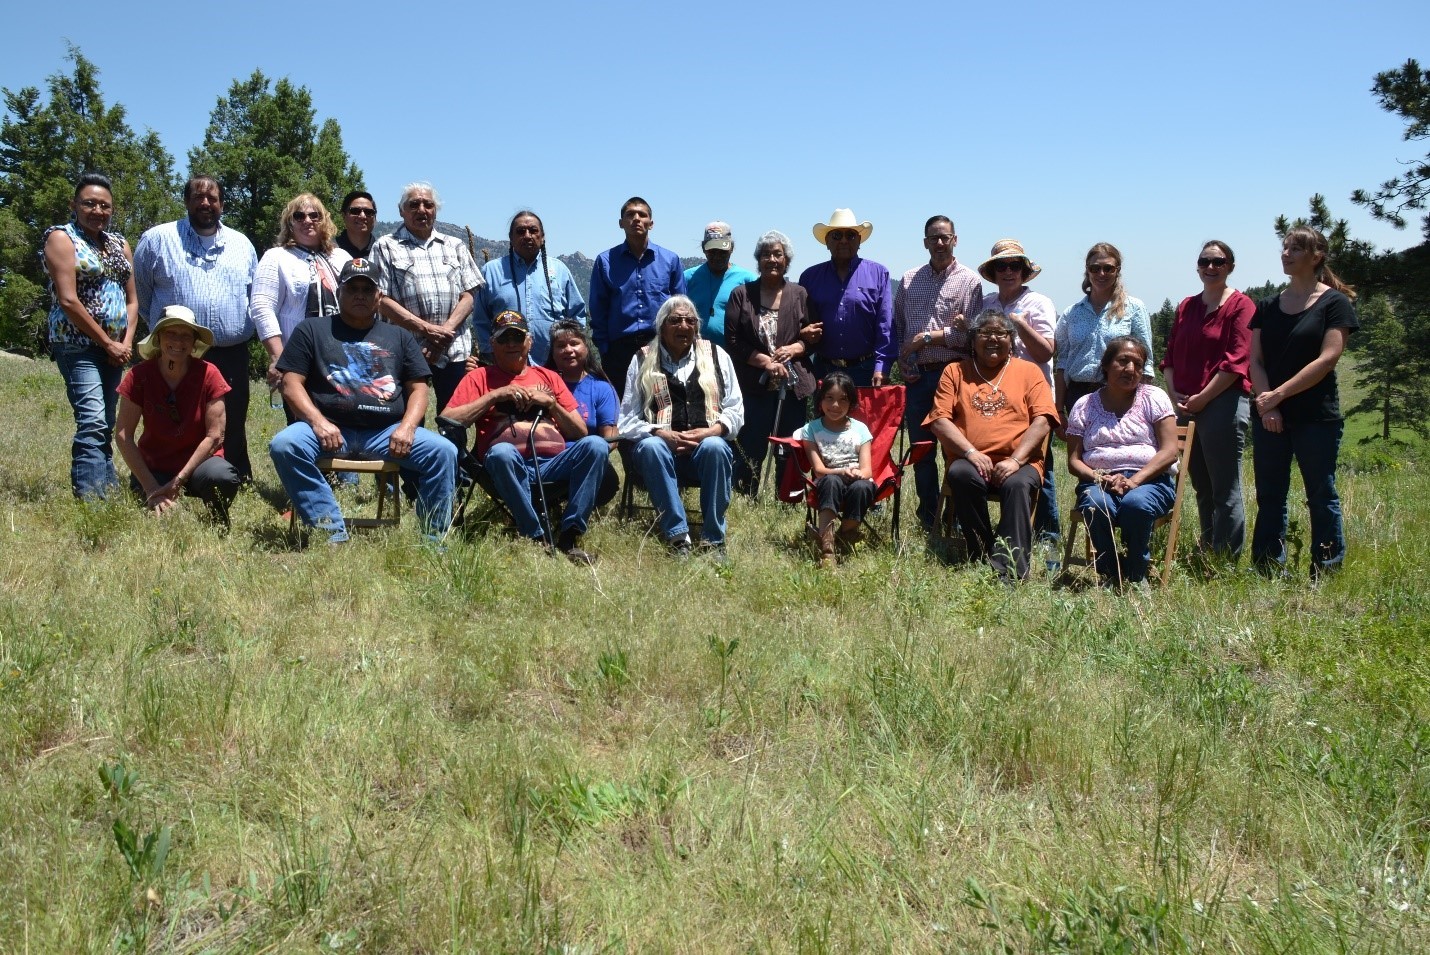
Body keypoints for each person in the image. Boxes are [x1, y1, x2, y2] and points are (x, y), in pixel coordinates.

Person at [269, 258, 456, 545]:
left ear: (379, 297)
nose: (359, 294)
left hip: (386, 433)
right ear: (338, 293)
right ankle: (330, 533)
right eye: (352, 288)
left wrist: (407, 428)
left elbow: (419, 389)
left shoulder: (400, 336)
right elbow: (291, 384)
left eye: (367, 290)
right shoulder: (311, 330)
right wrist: (318, 423)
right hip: (329, 431)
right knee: (284, 445)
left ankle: (433, 542)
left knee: (444, 452)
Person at [134, 175, 271, 481]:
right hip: (178, 349)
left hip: (230, 351)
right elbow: (142, 292)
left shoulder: (241, 244)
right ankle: (164, 473)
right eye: (198, 197)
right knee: (172, 417)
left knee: (232, 418)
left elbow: (254, 296)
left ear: (222, 203)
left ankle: (233, 474)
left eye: (213, 198)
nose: (206, 203)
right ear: (186, 201)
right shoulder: (158, 239)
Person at [445, 311, 610, 564]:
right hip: (505, 466)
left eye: (517, 337)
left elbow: (580, 431)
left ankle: (570, 535)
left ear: (529, 342)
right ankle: (536, 536)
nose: (511, 344)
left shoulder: (549, 377)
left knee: (596, 445)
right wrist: (494, 396)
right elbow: (448, 419)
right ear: (493, 343)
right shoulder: (478, 377)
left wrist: (552, 404)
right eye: (504, 338)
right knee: (502, 453)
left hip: (554, 465)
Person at [1248, 226, 1359, 577]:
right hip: (1271, 417)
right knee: (1270, 493)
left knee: (1321, 493)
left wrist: (1278, 396)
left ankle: (1326, 567)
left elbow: (1328, 358)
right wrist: (1270, 407)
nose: (1286, 253)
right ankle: (1267, 566)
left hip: (1315, 416)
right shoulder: (1267, 305)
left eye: (1296, 248)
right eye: (1284, 247)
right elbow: (1256, 361)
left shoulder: (1334, 303)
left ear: (1317, 256)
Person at [925, 309, 1057, 581]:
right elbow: (939, 420)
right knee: (960, 474)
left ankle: (1010, 571)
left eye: (1000, 333)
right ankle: (983, 549)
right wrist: (971, 452)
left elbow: (1043, 420)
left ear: (1012, 340)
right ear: (972, 340)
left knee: (1017, 484)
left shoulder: (1029, 372)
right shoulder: (955, 371)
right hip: (971, 460)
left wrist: (1016, 460)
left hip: (1020, 462)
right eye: (985, 333)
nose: (993, 339)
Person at [618, 295, 744, 559]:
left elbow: (735, 410)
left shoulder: (717, 356)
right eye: (675, 320)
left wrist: (710, 432)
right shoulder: (641, 360)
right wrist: (660, 433)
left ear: (697, 327)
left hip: (703, 452)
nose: (683, 326)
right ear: (662, 326)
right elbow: (627, 420)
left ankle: (713, 541)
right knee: (651, 446)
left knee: (716, 447)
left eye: (690, 320)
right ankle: (678, 537)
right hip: (660, 457)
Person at [41, 173, 139, 498]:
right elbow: (68, 300)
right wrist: (107, 341)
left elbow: (132, 300)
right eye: (89, 203)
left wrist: (124, 344)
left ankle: (106, 490)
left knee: (105, 421)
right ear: (74, 205)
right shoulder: (61, 239)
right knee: (93, 419)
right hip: (77, 344)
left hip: (115, 348)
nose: (97, 210)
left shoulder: (118, 243)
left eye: (104, 205)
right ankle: (91, 500)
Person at [1161, 240, 1256, 561]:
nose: (1211, 267)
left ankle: (1226, 559)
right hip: (1186, 407)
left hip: (1223, 404)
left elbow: (1237, 361)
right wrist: (1174, 396)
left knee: (1225, 489)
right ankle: (1208, 548)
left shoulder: (1242, 306)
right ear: (1197, 266)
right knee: (1201, 484)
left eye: (1218, 262)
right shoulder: (1186, 306)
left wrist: (1202, 398)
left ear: (1230, 266)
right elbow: (1170, 356)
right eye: (1205, 261)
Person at [894, 215, 984, 532]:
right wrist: (903, 362)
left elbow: (971, 336)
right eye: (934, 238)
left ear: (955, 239)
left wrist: (930, 337)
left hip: (955, 375)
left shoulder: (970, 282)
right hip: (918, 378)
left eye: (945, 237)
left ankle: (957, 518)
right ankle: (928, 515)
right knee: (922, 451)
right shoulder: (908, 280)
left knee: (956, 450)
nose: (940, 243)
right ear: (925, 242)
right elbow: (899, 331)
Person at [1065, 337, 1179, 587]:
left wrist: (1133, 481)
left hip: (1149, 481)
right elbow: (1073, 461)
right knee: (1095, 503)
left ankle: (1137, 575)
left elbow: (1170, 451)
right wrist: (1098, 478)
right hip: (1099, 481)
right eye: (1123, 361)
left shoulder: (1154, 397)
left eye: (1138, 364)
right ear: (1106, 365)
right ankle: (1111, 573)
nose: (1131, 369)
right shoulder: (1084, 405)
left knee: (1136, 504)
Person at [115, 305, 240, 524]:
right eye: (171, 333)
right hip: (154, 467)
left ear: (194, 343)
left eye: (185, 336)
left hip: (199, 466)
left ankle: (217, 518)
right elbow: (123, 435)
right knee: (148, 515)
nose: (178, 341)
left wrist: (177, 482)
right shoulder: (139, 376)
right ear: (158, 338)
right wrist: (152, 487)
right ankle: (155, 497)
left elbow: (215, 436)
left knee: (222, 477)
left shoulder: (209, 374)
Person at [369, 181, 483, 411]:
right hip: (404, 348)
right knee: (403, 415)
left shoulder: (455, 245)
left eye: (428, 204)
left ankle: (455, 449)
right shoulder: (385, 246)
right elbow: (379, 298)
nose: (421, 209)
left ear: (435, 210)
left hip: (453, 349)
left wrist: (443, 333)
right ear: (402, 211)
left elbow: (470, 293)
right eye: (414, 204)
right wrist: (426, 330)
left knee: (453, 417)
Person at [978, 239, 1060, 558]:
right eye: (1002, 266)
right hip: (997, 398)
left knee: (1041, 465)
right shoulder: (986, 304)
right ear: (994, 272)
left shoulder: (1039, 303)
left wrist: (1020, 324)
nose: (1008, 271)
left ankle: (1047, 531)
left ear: (1024, 272)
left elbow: (1046, 351)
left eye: (1014, 266)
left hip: (1033, 398)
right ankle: (1008, 526)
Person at [724, 229, 814, 495]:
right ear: (758, 260)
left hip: (792, 385)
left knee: (790, 445)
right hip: (753, 384)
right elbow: (733, 340)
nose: (772, 259)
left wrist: (797, 347)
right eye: (766, 255)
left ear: (787, 260)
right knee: (750, 442)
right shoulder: (741, 294)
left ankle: (787, 496)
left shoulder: (800, 294)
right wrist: (765, 362)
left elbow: (814, 336)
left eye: (778, 254)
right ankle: (745, 494)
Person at [250, 194, 353, 405]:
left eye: (314, 215)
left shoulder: (341, 257)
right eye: (299, 216)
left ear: (324, 220)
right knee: (304, 425)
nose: (307, 220)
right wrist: (278, 357)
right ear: (290, 222)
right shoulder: (276, 257)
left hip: (342, 357)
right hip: (297, 359)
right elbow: (262, 307)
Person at [589, 196, 686, 398]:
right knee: (621, 407)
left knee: (661, 404)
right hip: (619, 351)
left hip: (660, 346)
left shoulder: (670, 260)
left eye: (642, 214)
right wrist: (605, 349)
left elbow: (680, 306)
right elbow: (598, 309)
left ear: (651, 223)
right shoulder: (605, 261)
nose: (636, 219)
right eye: (630, 215)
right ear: (620, 223)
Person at [472, 210, 587, 367]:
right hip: (506, 367)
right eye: (520, 231)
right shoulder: (491, 271)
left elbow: (577, 315)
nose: (527, 235)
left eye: (533, 230)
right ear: (511, 238)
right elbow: (480, 320)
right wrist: (492, 354)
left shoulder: (559, 270)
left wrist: (570, 349)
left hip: (554, 366)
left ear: (543, 237)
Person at [1054, 242, 1153, 416]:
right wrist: (1059, 410)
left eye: (1108, 268)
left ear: (1117, 270)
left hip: (1121, 395)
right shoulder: (1071, 313)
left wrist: (1142, 405)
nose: (1101, 273)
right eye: (1095, 268)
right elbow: (1062, 364)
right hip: (1077, 395)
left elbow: (1145, 360)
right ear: (1087, 270)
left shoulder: (1134, 307)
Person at [799, 208, 893, 387]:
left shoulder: (879, 274)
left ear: (859, 241)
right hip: (824, 370)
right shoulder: (809, 277)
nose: (843, 240)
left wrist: (882, 367)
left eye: (850, 235)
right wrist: (802, 333)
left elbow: (885, 324)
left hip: (866, 371)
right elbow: (799, 322)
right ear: (826, 241)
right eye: (836, 235)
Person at [795, 373, 876, 567]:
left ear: (851, 403)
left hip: (856, 479)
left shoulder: (860, 429)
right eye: (829, 398)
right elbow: (819, 470)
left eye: (843, 400)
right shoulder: (811, 429)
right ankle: (827, 550)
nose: (835, 406)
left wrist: (857, 474)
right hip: (828, 479)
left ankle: (844, 536)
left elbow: (867, 471)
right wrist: (841, 471)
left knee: (863, 487)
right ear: (821, 400)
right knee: (831, 482)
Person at [545, 319, 621, 507]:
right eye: (561, 346)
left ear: (586, 348)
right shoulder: (541, 384)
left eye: (574, 343)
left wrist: (588, 456)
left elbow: (610, 439)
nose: (568, 350)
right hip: (546, 462)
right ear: (552, 353)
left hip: (586, 460)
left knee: (609, 480)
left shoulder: (602, 389)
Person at [684, 221, 756, 347]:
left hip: (735, 355)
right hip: (695, 352)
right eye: (712, 251)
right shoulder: (688, 278)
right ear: (703, 248)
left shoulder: (748, 280)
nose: (717, 256)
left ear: (731, 248)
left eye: (722, 251)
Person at [334, 190, 377, 260]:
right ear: (343, 216)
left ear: (375, 218)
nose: (362, 216)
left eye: (368, 212)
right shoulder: (329, 250)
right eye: (355, 211)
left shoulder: (383, 252)